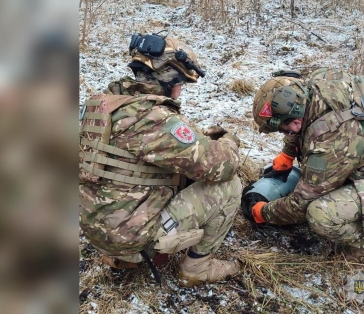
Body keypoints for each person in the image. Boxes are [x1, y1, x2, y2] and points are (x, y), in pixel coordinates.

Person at [79, 32, 242, 287]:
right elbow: (223, 166)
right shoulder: (153, 117)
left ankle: (122, 255)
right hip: (131, 237)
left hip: (97, 227)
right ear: (168, 76)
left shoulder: (102, 106)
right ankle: (197, 267)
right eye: (180, 83)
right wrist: (228, 142)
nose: (179, 92)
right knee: (230, 186)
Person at [244, 69, 364, 261]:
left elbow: (300, 205)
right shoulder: (317, 80)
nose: (285, 135)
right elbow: (302, 121)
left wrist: (263, 213)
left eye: (283, 131)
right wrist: (288, 153)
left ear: (294, 123)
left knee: (320, 214)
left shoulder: (330, 143)